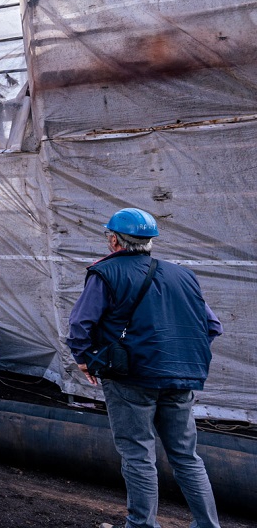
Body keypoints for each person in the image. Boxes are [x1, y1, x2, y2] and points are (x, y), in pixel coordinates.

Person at [67, 208, 223, 528]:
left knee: (138, 455)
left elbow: (81, 324)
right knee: (186, 457)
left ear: (113, 240)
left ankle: (141, 525)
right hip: (180, 379)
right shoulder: (183, 274)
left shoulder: (106, 272)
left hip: (130, 377)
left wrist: (83, 359)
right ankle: (209, 525)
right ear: (150, 241)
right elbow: (212, 326)